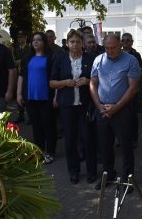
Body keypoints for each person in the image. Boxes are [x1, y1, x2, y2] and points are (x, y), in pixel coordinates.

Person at [89, 34, 140, 191]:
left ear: (120, 45)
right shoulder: (98, 60)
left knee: (125, 146)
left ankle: (127, 179)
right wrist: (98, 106)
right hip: (102, 109)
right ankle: (109, 175)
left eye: (113, 48)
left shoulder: (131, 60)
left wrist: (116, 107)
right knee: (105, 146)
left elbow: (133, 88)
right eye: (107, 48)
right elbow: (93, 83)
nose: (110, 51)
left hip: (123, 110)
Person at [50, 30, 97, 184]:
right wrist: (65, 83)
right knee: (70, 140)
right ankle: (74, 171)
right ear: (67, 44)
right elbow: (51, 83)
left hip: (86, 105)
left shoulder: (91, 58)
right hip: (67, 105)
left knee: (88, 139)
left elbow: (99, 80)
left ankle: (91, 171)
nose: (75, 45)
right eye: (72, 42)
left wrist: (88, 80)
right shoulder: (60, 59)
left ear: (82, 43)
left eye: (78, 41)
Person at [17, 32, 56, 164]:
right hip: (30, 98)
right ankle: (39, 151)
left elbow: (54, 78)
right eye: (33, 40)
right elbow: (21, 76)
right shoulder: (27, 58)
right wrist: (19, 94)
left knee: (48, 126)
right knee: (36, 126)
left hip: (46, 97)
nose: (35, 42)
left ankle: (50, 152)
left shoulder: (50, 58)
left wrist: (56, 96)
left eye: (39, 40)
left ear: (44, 42)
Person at [12, 30, 30, 123]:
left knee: (26, 93)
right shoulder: (15, 48)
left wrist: (20, 61)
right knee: (18, 93)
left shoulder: (29, 48)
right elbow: (12, 60)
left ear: (25, 38)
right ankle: (21, 114)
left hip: (26, 73)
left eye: (22, 37)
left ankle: (29, 115)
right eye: (19, 37)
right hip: (17, 73)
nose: (20, 39)